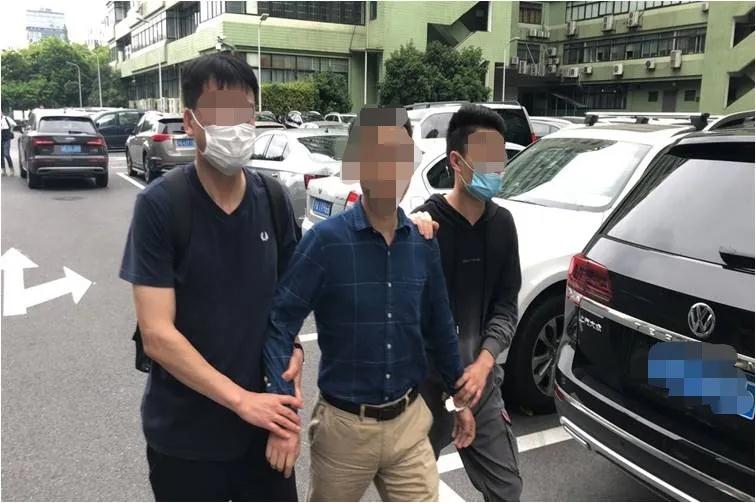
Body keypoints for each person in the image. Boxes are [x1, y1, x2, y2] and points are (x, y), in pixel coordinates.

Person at [262, 106, 480, 502]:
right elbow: (280, 322)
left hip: (408, 423)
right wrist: (282, 415)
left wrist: (458, 399)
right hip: (344, 429)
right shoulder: (326, 243)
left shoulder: (422, 243)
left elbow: (439, 327)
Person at [119, 52, 304, 502]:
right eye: (221, 113)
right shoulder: (161, 205)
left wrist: (291, 370)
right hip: (186, 441)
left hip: (262, 433)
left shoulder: (272, 199)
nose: (235, 126)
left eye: (245, 113)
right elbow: (157, 334)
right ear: (191, 121)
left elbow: (286, 309)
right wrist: (243, 401)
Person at [414, 104, 524, 501]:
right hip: (426, 389)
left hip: (481, 385)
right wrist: (407, 231)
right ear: (456, 162)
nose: (496, 168)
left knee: (507, 489)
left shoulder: (502, 225)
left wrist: (484, 363)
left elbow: (506, 306)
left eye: (501, 158)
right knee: (411, 491)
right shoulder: (426, 225)